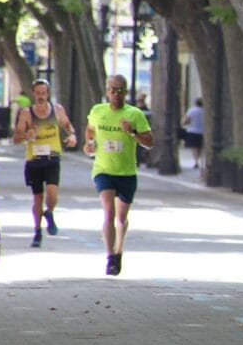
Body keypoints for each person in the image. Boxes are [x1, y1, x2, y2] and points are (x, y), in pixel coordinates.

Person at [84, 74, 153, 276]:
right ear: (107, 91)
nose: (116, 94)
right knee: (109, 212)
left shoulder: (135, 114)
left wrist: (132, 132)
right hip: (103, 169)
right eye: (112, 90)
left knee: (121, 218)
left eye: (120, 90)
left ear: (126, 92)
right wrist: (89, 144)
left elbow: (149, 142)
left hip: (127, 171)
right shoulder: (97, 111)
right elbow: (90, 130)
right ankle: (110, 258)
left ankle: (119, 250)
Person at [13, 78, 77, 248]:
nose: (41, 96)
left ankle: (49, 213)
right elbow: (16, 138)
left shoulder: (57, 110)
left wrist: (72, 136)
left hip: (52, 158)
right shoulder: (27, 114)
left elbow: (68, 125)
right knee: (37, 198)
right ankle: (37, 231)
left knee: (52, 193)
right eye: (38, 93)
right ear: (33, 94)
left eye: (44, 93)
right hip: (34, 160)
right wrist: (26, 136)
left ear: (48, 93)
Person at [182, 98, 204, 170]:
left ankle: (196, 161)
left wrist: (184, 123)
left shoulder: (192, 110)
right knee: (199, 147)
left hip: (192, 130)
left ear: (195, 103)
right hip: (202, 131)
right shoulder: (204, 111)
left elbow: (186, 121)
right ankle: (198, 159)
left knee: (194, 147)